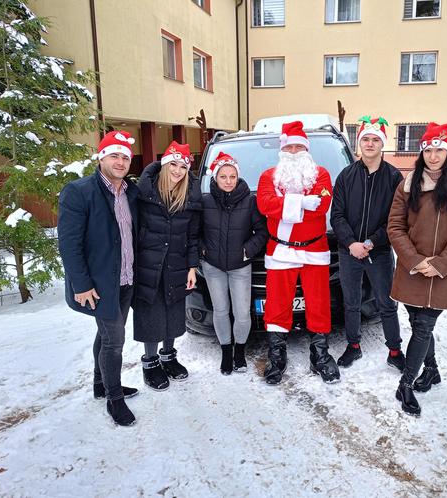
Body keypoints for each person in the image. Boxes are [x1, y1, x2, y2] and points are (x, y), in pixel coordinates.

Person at [388, 123, 447, 416]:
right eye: (428, 150)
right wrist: (415, 260)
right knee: (418, 324)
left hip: (443, 270)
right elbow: (395, 226)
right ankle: (432, 369)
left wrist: (440, 264)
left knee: (424, 326)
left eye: (439, 150)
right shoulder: (408, 183)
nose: (433, 155)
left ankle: (405, 385)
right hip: (411, 269)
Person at [58, 130, 140, 427]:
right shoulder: (79, 191)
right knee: (114, 341)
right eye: (114, 155)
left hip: (127, 279)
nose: (120, 162)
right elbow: (69, 244)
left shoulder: (131, 191)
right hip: (100, 284)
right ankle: (114, 399)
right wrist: (81, 284)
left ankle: (99, 383)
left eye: (125, 157)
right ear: (101, 157)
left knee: (106, 335)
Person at [256, 120, 340, 385]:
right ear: (282, 151)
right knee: (277, 305)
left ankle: (320, 355)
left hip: (314, 249)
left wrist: (287, 207)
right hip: (281, 251)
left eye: (298, 147)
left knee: (318, 303)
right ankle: (277, 355)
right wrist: (302, 201)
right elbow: (265, 205)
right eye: (289, 147)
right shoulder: (268, 176)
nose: (293, 152)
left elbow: (322, 205)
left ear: (306, 150)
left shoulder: (322, 175)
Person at [331, 116, 405, 370]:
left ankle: (394, 350)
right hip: (348, 252)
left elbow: (397, 219)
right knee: (350, 303)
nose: (370, 144)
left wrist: (372, 242)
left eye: (375, 139)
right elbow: (337, 215)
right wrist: (351, 243)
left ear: (382, 144)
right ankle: (353, 346)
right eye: (366, 139)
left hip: (380, 252)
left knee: (386, 303)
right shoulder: (346, 176)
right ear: (359, 143)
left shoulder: (394, 177)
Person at [133, 141, 202, 391]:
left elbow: (193, 236)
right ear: (164, 165)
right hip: (148, 264)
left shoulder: (191, 196)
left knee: (173, 311)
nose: (177, 170)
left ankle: (168, 356)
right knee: (150, 314)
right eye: (173, 164)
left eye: (182, 166)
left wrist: (192, 267)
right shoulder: (144, 193)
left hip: (177, 264)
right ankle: (150, 362)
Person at [201, 151, 268, 374]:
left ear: (238, 177)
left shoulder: (250, 201)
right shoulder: (205, 201)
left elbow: (262, 231)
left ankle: (239, 352)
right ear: (215, 178)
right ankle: (226, 352)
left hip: (240, 266)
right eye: (223, 176)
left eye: (232, 176)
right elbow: (195, 231)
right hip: (213, 266)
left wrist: (247, 251)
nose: (228, 181)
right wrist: (203, 249)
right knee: (220, 311)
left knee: (242, 313)